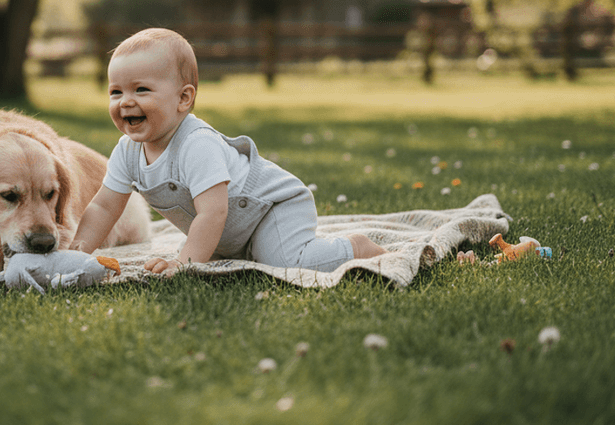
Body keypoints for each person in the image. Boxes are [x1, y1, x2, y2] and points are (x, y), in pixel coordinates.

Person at [70, 27, 386, 276]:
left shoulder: (196, 144)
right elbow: (103, 208)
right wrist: (75, 255)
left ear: (183, 99)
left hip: (271, 210)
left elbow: (213, 212)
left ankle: (355, 248)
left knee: (285, 261)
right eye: (116, 91)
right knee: (212, 249)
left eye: (141, 89)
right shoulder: (128, 151)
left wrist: (185, 263)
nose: (125, 101)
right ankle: (237, 249)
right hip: (231, 231)